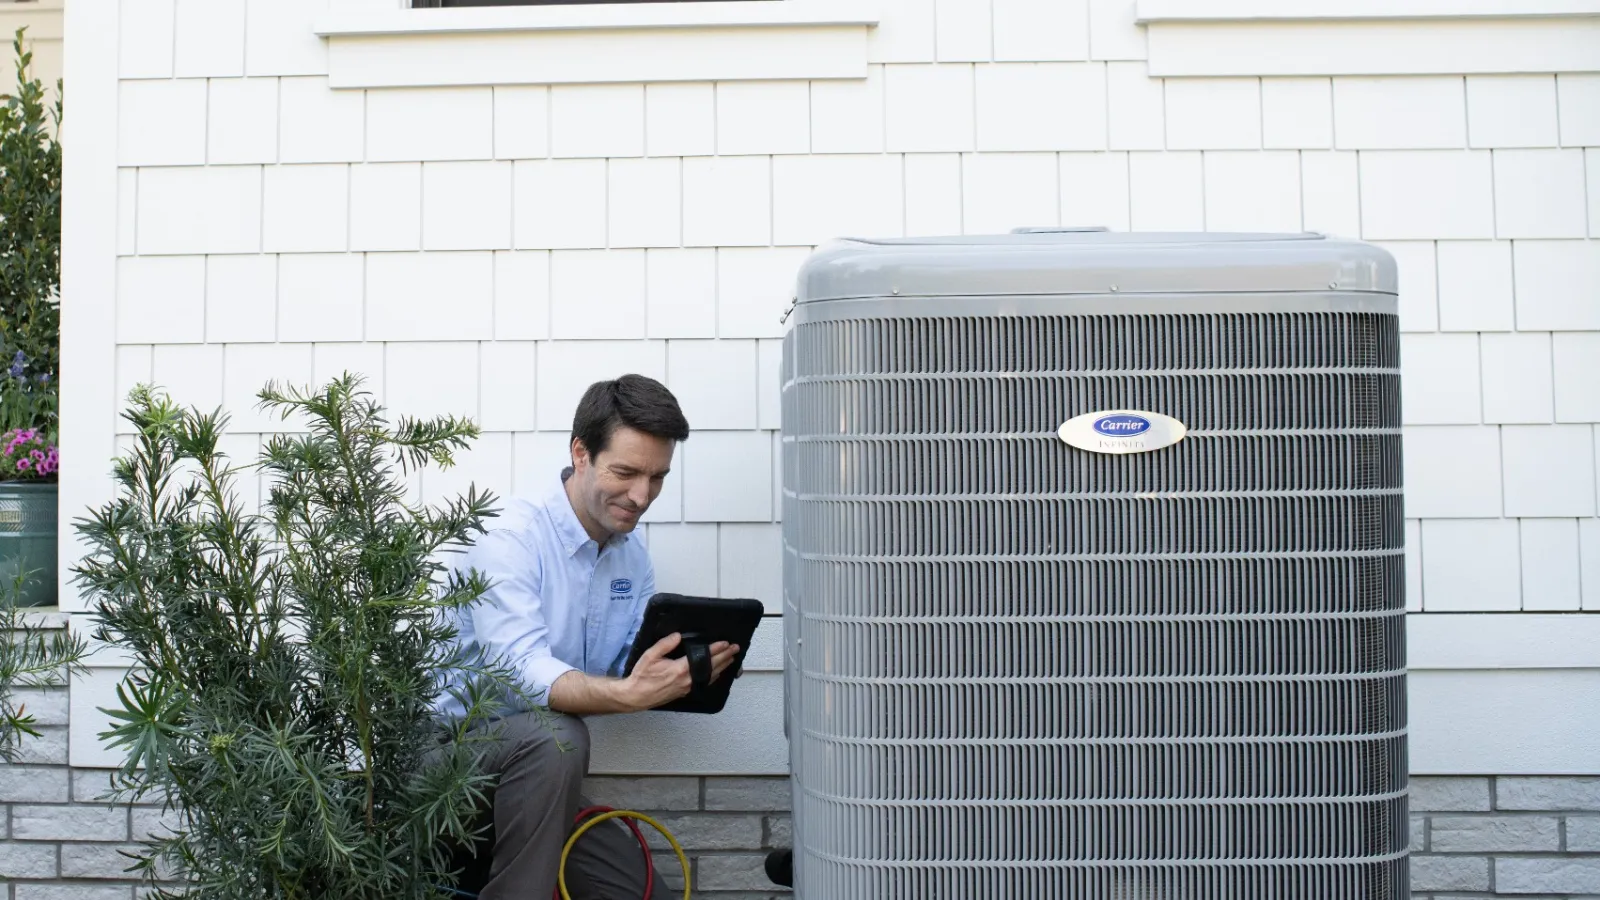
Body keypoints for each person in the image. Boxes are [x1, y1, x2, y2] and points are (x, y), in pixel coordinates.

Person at [432, 374, 741, 900]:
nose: (641, 496)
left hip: (538, 784)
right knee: (558, 736)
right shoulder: (511, 538)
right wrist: (625, 696)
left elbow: (623, 665)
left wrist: (678, 672)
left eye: (657, 477)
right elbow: (522, 673)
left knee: (641, 893)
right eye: (625, 472)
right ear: (581, 453)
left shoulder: (631, 554)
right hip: (441, 766)